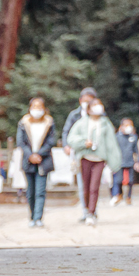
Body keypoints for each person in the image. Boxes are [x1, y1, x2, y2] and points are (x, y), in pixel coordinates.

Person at [67, 97, 120, 226]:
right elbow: (71, 138)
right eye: (94, 105)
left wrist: (115, 162)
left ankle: (92, 212)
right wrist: (84, 143)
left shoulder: (105, 123)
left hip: (100, 159)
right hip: (85, 157)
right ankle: (86, 210)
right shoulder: (81, 123)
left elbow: (111, 143)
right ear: (89, 110)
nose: (98, 107)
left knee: (94, 187)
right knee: (85, 187)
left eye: (99, 104)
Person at [15, 96, 59, 227]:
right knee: (30, 191)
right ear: (29, 108)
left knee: (40, 191)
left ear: (44, 109)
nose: (37, 109)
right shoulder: (23, 123)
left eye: (39, 107)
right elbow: (20, 142)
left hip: (43, 160)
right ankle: (32, 216)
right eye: (34, 106)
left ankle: (38, 217)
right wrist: (30, 155)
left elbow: (51, 141)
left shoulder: (49, 123)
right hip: (28, 160)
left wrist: (39, 154)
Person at [60, 87, 97, 220]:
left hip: (95, 154)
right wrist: (66, 145)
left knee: (94, 184)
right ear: (80, 100)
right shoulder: (74, 115)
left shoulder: (99, 116)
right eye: (85, 100)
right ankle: (85, 210)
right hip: (79, 153)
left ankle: (93, 209)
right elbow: (66, 131)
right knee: (83, 183)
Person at [112, 117, 139, 205]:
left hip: (130, 162)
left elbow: (136, 151)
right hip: (119, 162)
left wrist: (137, 162)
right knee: (119, 180)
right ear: (121, 126)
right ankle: (119, 194)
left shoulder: (133, 137)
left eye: (130, 125)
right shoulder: (117, 137)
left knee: (130, 181)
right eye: (126, 125)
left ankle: (129, 197)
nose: (128, 127)